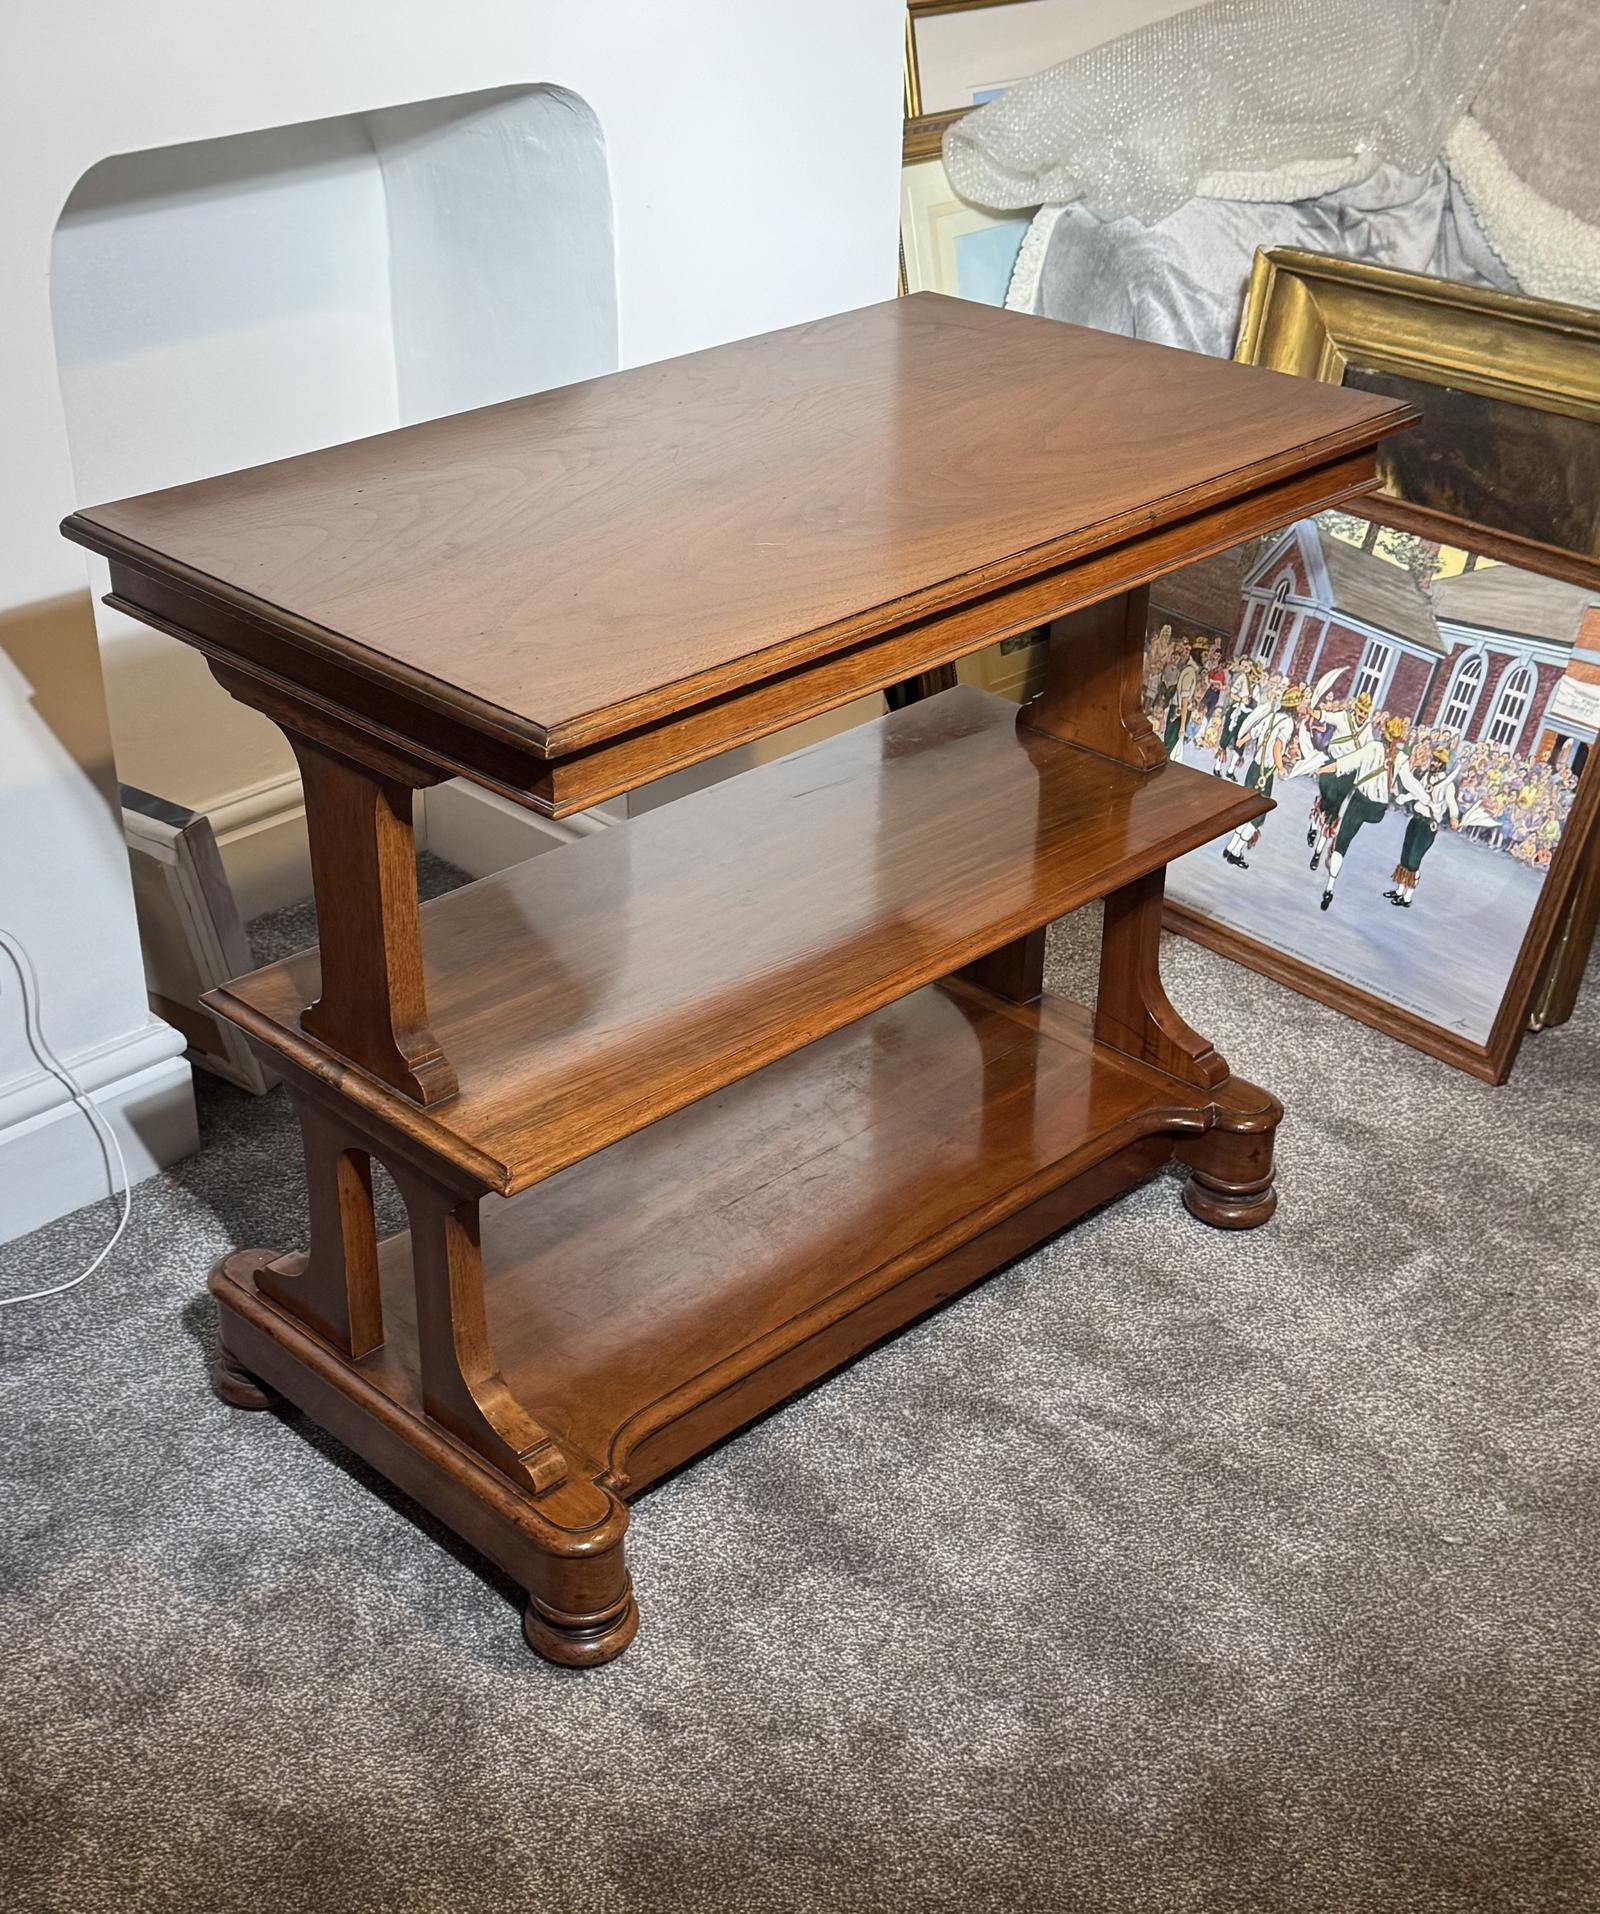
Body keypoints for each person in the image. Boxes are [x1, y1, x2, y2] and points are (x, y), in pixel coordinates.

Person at [1316, 712, 1408, 911]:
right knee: (1354, 826)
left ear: (1383, 733)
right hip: (1377, 810)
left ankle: (1330, 886)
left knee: (1342, 843)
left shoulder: (1372, 748)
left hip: (1360, 801)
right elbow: (1411, 784)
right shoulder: (1401, 759)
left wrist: (1321, 770)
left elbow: (1344, 764)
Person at [1221, 683, 1302, 869]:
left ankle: (1232, 847)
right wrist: (1281, 767)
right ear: (1294, 707)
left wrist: (1241, 740)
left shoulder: (1272, 717)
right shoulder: (1288, 723)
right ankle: (1234, 852)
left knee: (1248, 810)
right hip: (1265, 772)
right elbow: (1277, 747)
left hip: (1254, 768)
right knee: (1257, 816)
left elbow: (1254, 732)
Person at [1387, 744, 1461, 909]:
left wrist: (1454, 817)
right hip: (1416, 819)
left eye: (1437, 761)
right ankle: (1399, 891)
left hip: (1428, 825)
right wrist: (1402, 799)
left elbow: (1451, 803)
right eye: (1433, 760)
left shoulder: (1448, 784)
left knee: (1414, 860)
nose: (1433, 763)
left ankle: (1408, 896)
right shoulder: (1426, 776)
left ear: (1443, 765)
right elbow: (1415, 792)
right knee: (1405, 856)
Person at [1307, 690, 1374, 870]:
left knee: (1334, 811)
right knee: (1326, 798)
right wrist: (1311, 711)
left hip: (1348, 773)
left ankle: (1318, 853)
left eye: (1365, 714)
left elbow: (1369, 750)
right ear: (1356, 709)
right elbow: (1326, 716)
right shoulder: (1343, 717)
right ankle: (1314, 823)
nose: (1362, 716)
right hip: (1332, 764)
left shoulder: (1367, 729)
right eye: (1360, 712)